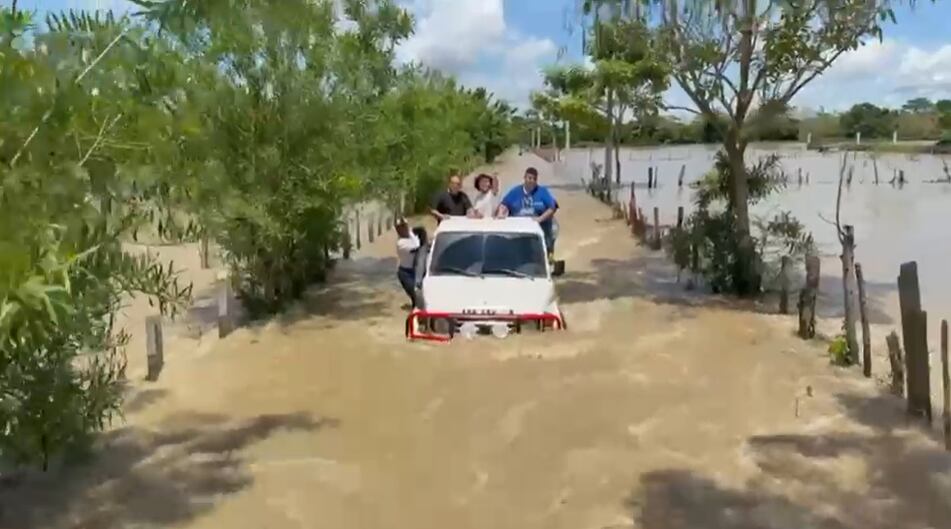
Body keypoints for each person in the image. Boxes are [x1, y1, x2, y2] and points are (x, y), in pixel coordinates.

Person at [497, 167, 558, 259]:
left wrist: (539, 219)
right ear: (524, 178)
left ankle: (549, 259)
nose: (531, 181)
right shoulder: (515, 191)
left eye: (534, 179)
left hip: (540, 227)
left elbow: (552, 208)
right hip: (519, 228)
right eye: (529, 178)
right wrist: (500, 213)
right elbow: (504, 204)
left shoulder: (543, 191)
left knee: (544, 249)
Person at [395, 218, 420, 308]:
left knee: (421, 297)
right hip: (405, 274)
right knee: (416, 295)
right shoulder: (401, 243)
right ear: (397, 230)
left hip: (416, 271)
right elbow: (417, 248)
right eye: (401, 227)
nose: (404, 229)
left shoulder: (411, 234)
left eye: (405, 226)